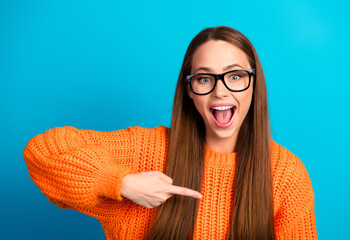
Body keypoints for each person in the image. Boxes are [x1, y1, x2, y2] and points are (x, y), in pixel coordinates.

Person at [23, 26, 317, 240]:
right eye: (204, 78)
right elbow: (42, 151)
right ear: (190, 90)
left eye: (235, 76)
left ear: (254, 84)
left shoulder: (285, 175)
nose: (220, 90)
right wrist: (120, 182)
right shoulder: (145, 151)